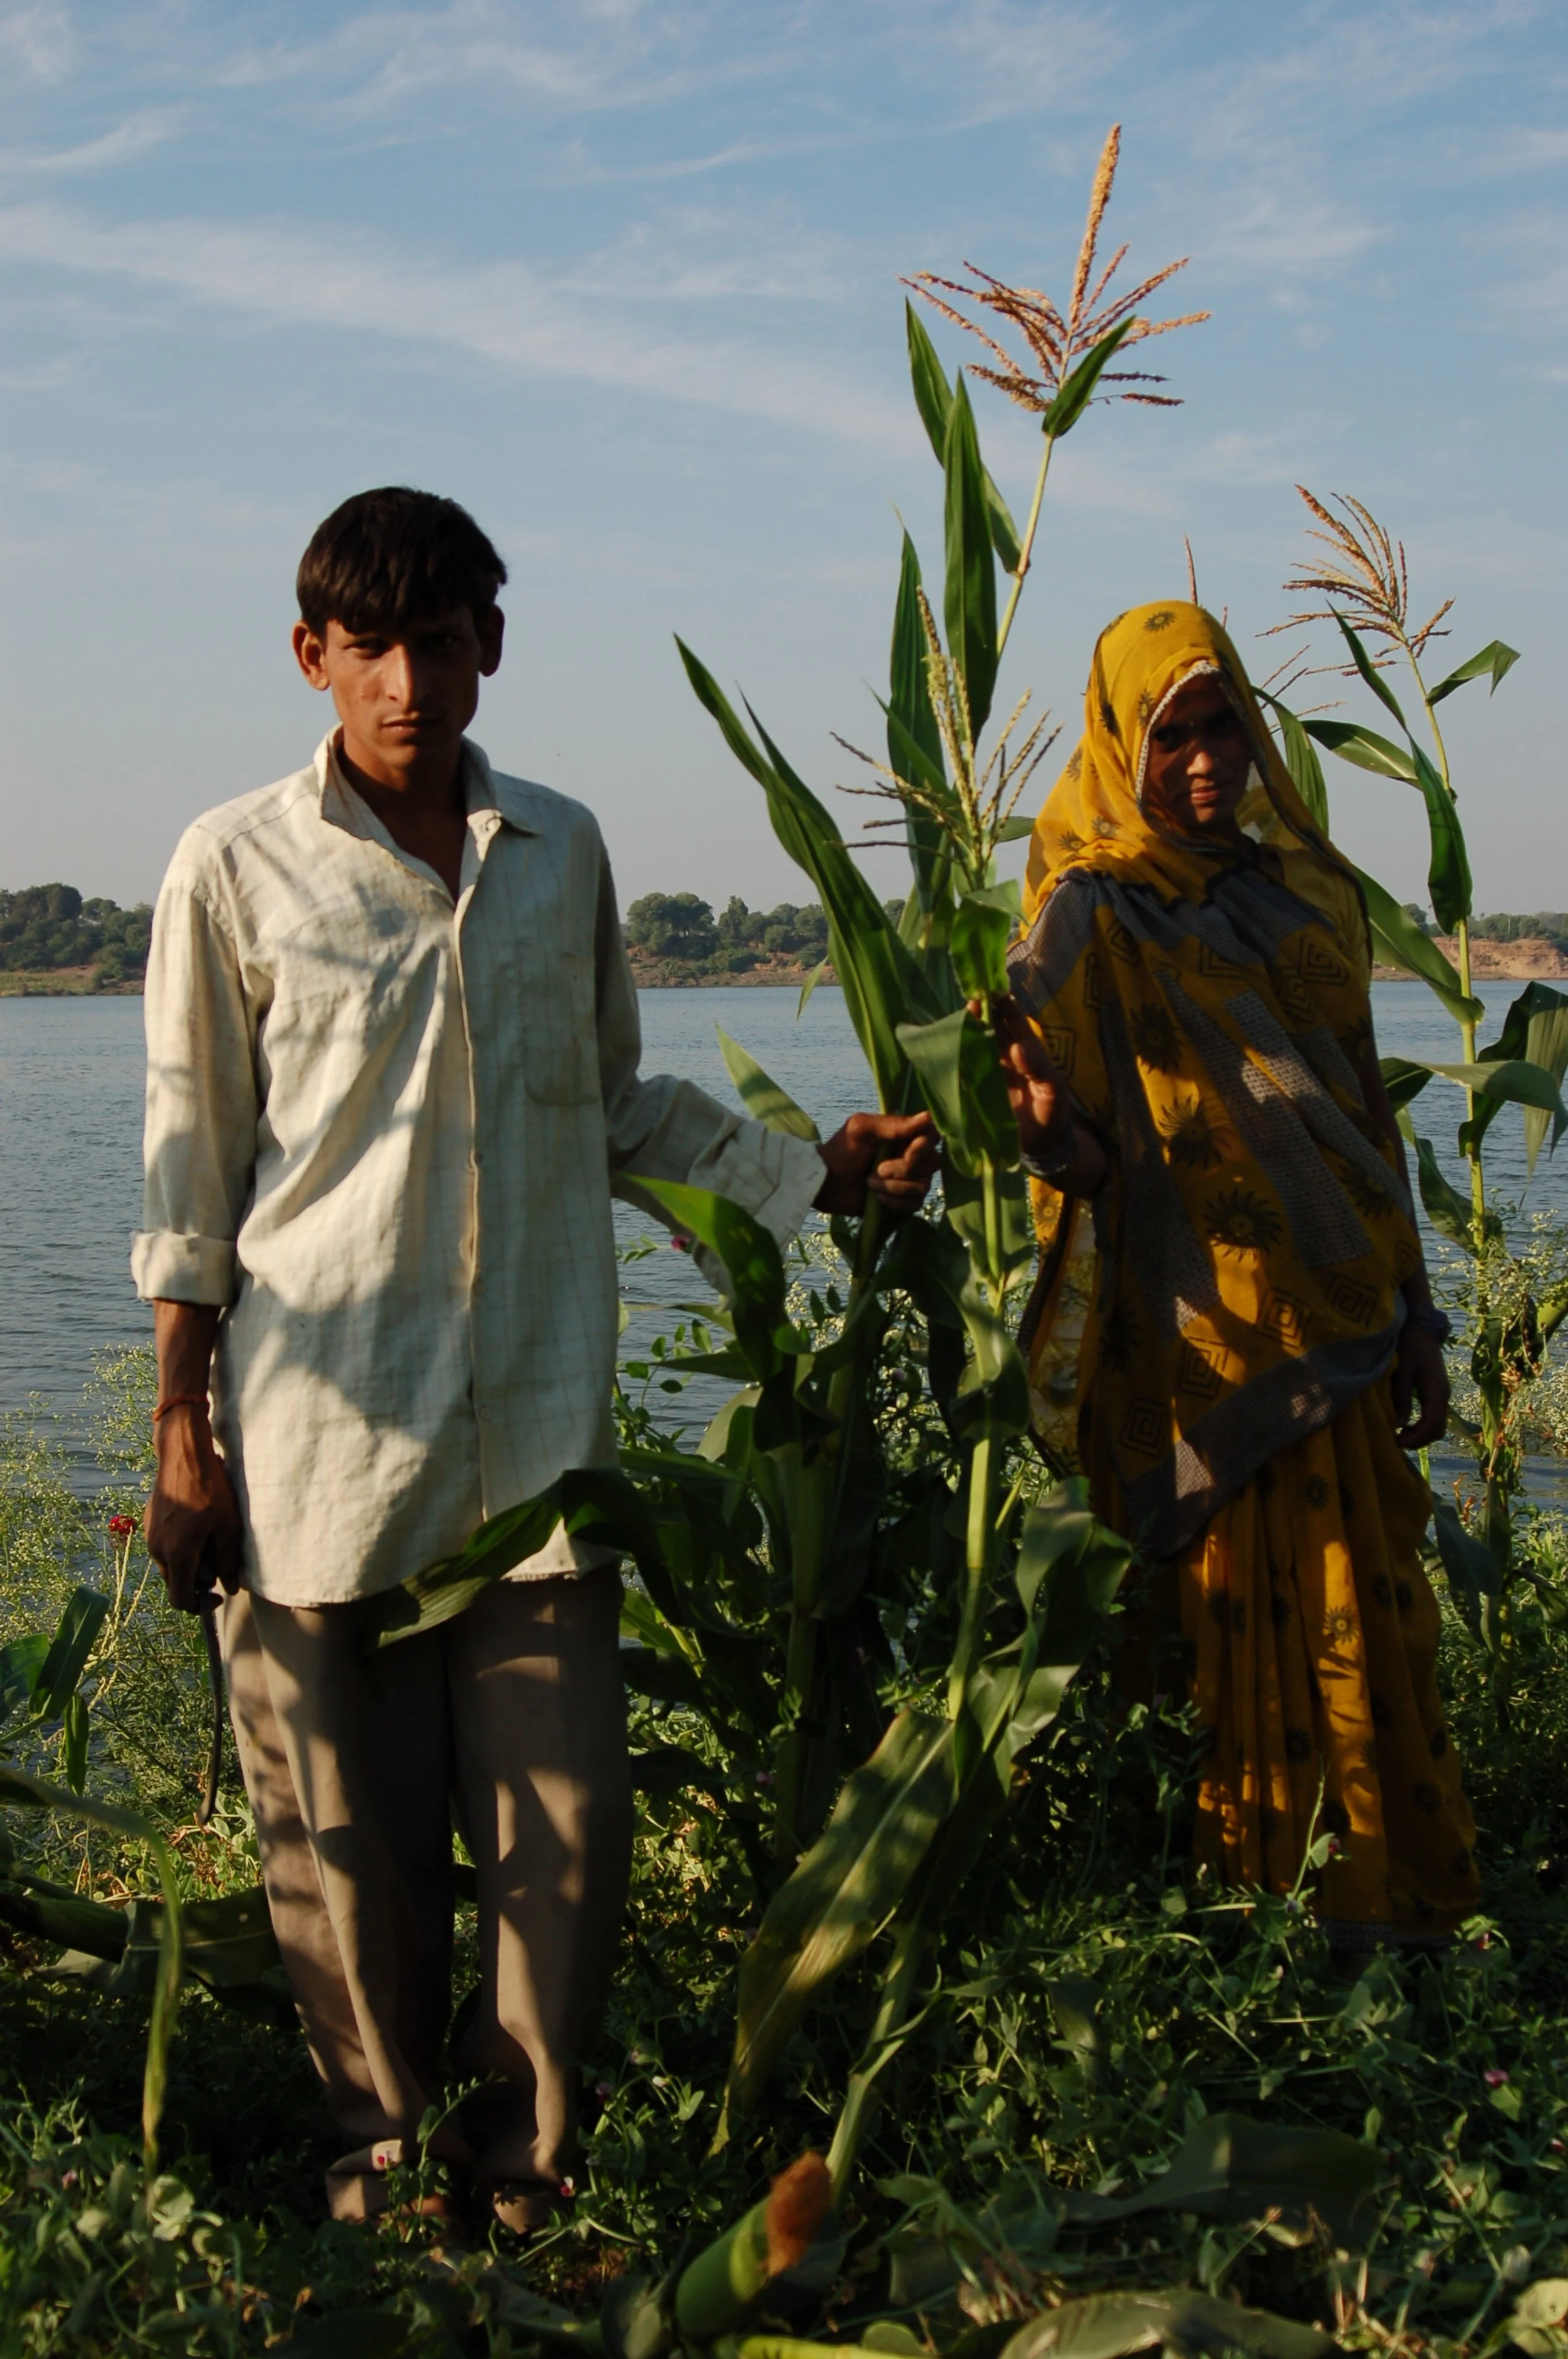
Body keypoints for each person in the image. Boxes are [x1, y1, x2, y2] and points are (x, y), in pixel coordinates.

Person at [135, 486, 937, 2230]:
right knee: (342, 1864)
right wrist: (179, 1431)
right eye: (373, 647)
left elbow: (611, 1099)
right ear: (313, 659)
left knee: (562, 1846)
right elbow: (192, 1172)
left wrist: (813, 1172)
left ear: (488, 646)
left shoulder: (560, 852)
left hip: (537, 1460)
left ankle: (532, 2187)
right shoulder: (234, 865)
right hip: (320, 1449)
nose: (409, 681)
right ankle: (385, 2175)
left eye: (442, 639)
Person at [993, 599, 1478, 1950]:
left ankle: (1391, 1923)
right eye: (1169, 734)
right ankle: (1234, 1947)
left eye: (1222, 726)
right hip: (1203, 1363)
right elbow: (1073, 1154)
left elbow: (1364, 1123)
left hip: (1344, 1332)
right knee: (1226, 1662)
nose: (1204, 761)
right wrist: (1043, 1135)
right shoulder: (1085, 918)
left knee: (1365, 1638)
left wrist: (1422, 1314)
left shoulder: (1304, 894)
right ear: (1118, 743)